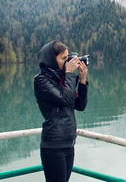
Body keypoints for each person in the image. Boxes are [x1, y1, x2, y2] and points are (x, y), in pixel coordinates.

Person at [34, 41, 88, 182]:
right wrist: (70, 73)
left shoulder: (62, 79)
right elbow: (66, 100)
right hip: (53, 146)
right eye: (63, 59)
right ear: (51, 59)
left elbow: (80, 105)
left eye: (67, 57)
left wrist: (82, 80)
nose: (67, 62)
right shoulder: (42, 80)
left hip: (69, 143)